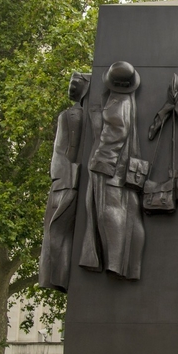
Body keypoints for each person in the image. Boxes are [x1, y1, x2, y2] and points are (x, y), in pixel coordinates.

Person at [79, 61, 146, 280]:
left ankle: (116, 264)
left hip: (109, 167)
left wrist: (100, 163)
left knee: (111, 211)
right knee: (128, 212)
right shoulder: (126, 101)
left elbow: (115, 136)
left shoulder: (120, 103)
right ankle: (126, 266)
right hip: (119, 166)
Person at [39, 72, 89, 292]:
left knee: (58, 232)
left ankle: (59, 277)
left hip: (66, 180)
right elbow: (62, 152)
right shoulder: (72, 115)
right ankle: (58, 277)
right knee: (58, 232)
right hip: (67, 181)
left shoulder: (73, 115)